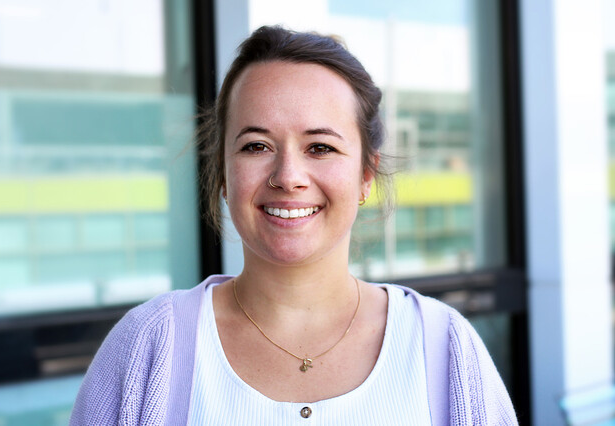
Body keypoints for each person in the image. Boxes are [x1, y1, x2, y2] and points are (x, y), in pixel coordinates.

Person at [70, 26, 518, 425]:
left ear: (366, 175)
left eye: (320, 147)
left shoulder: (445, 347)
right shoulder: (147, 348)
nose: (287, 176)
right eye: (256, 145)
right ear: (223, 176)